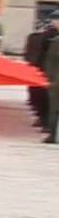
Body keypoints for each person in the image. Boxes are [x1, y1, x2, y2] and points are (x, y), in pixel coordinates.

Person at [45, 10, 59, 144]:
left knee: (54, 108)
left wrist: (49, 79)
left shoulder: (56, 41)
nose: (54, 22)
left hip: (56, 81)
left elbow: (51, 62)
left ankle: (53, 134)